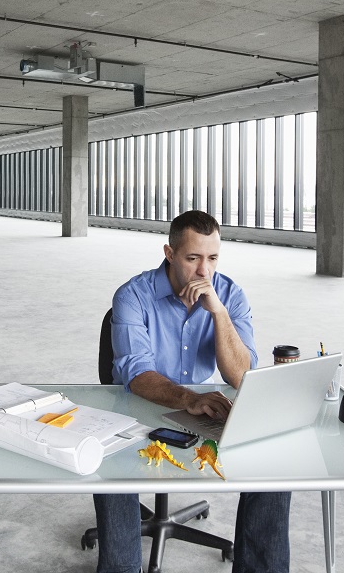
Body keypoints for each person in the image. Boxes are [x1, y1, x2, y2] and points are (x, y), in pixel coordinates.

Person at [94, 210, 291, 573]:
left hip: (203, 410)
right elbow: (136, 375)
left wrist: (218, 313)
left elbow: (242, 375)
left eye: (212, 258)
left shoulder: (230, 294)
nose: (204, 271)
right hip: (139, 405)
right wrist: (190, 399)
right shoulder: (132, 295)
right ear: (169, 253)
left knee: (273, 460)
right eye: (193, 258)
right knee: (108, 454)